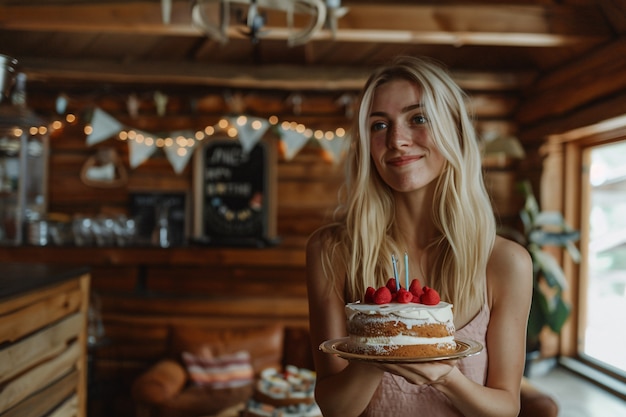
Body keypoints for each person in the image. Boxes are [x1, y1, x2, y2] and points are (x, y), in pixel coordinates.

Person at [305, 56, 533, 417]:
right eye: (379, 125)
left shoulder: (505, 263)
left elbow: (505, 407)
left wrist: (445, 377)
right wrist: (381, 345)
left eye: (418, 119)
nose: (397, 140)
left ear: (454, 131)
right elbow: (335, 408)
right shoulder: (332, 251)